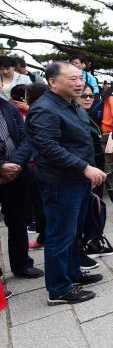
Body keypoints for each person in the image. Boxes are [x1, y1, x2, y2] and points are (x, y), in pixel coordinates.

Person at [26, 62, 106, 305]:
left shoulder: (73, 105)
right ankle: (59, 288)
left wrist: (89, 171)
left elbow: (81, 142)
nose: (79, 83)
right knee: (60, 234)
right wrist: (85, 168)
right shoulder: (44, 109)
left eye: (80, 78)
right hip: (61, 182)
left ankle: (71, 274)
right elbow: (48, 148)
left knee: (72, 232)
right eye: (72, 79)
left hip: (79, 180)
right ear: (52, 82)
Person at [0, 95, 44, 279]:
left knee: (17, 220)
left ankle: (21, 263)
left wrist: (14, 165)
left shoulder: (9, 109)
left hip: (15, 173)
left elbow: (26, 138)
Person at [76, 85, 113, 262]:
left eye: (91, 95)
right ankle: (85, 246)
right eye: (83, 95)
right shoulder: (75, 114)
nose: (88, 98)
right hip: (85, 169)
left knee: (96, 206)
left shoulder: (87, 114)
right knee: (87, 209)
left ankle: (94, 240)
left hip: (96, 166)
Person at [24, 83, 50, 251]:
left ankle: (44, 236)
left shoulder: (37, 112)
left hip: (37, 165)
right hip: (40, 164)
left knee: (40, 204)